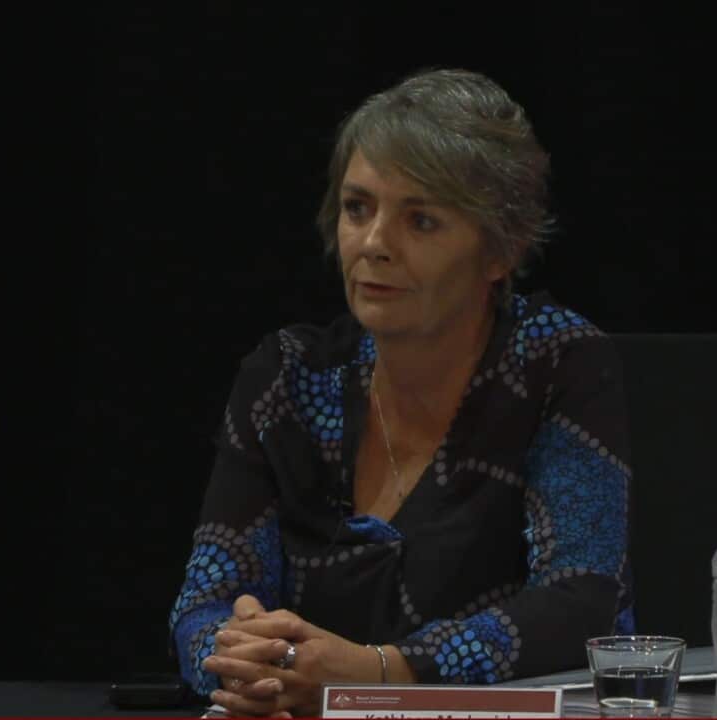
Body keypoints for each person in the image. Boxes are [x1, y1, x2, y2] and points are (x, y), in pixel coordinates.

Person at [168, 67, 635, 717]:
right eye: (358, 209)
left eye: (421, 220)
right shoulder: (286, 376)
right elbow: (206, 601)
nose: (375, 244)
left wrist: (377, 673)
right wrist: (242, 661)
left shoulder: (556, 362)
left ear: (502, 250)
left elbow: (584, 603)